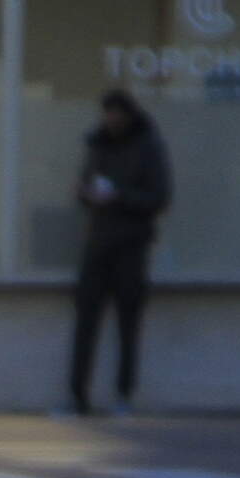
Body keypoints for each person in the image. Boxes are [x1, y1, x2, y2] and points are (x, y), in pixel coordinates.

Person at [65, 89, 172, 418]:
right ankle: (78, 396)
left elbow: (160, 197)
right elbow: (85, 184)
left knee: (128, 322)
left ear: (128, 115)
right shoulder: (97, 144)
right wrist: (86, 194)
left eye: (116, 114)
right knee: (86, 321)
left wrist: (119, 197)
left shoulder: (148, 146)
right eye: (107, 113)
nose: (111, 119)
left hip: (131, 244)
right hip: (98, 243)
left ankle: (124, 393)